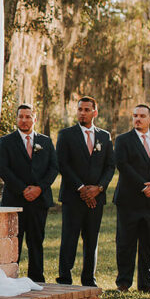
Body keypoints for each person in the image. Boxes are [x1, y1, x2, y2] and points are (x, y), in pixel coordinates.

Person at [55, 96, 115, 288]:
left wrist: (98, 189)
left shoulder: (104, 136)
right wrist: (82, 188)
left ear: (94, 113)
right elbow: (63, 164)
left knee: (91, 239)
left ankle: (89, 279)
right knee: (69, 238)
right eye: (80, 109)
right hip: (73, 196)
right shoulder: (66, 135)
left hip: (96, 198)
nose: (82, 112)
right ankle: (65, 278)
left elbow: (110, 166)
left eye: (87, 110)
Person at [0, 104, 58, 282]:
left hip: (39, 200)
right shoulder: (6, 141)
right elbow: (3, 169)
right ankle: (8, 277)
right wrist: (23, 189)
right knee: (13, 241)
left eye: (28, 117)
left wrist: (39, 188)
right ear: (17, 119)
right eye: (21, 116)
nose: (24, 120)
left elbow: (53, 168)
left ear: (34, 119)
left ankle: (37, 277)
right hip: (15, 199)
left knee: (36, 241)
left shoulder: (45, 141)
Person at [113, 104, 150, 293]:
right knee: (125, 243)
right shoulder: (123, 140)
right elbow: (122, 164)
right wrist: (144, 186)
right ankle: (123, 282)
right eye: (135, 115)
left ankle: (146, 284)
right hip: (129, 199)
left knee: (148, 243)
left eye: (142, 116)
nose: (137, 119)